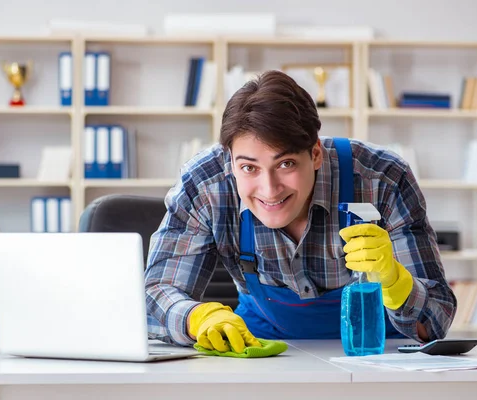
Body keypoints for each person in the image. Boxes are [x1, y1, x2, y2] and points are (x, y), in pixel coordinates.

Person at [145, 70, 456, 353]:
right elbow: (154, 297)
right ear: (230, 161)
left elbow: (436, 320)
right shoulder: (204, 184)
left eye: (286, 164)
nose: (269, 189)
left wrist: (395, 280)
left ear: (316, 153)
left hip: (377, 354)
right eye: (249, 168)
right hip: (267, 353)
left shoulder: (383, 178)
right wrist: (196, 318)